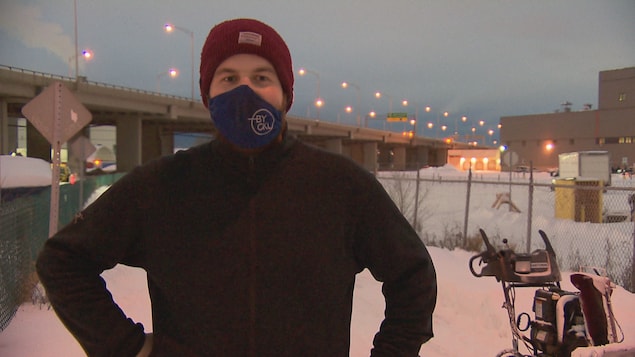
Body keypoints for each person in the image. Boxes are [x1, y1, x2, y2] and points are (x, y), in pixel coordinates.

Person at [36, 18, 437, 356]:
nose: (244, 91)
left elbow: (412, 276)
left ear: (285, 96)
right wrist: (127, 346)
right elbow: (64, 261)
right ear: (208, 94)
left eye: (261, 78)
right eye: (228, 78)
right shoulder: (160, 187)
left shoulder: (342, 186)